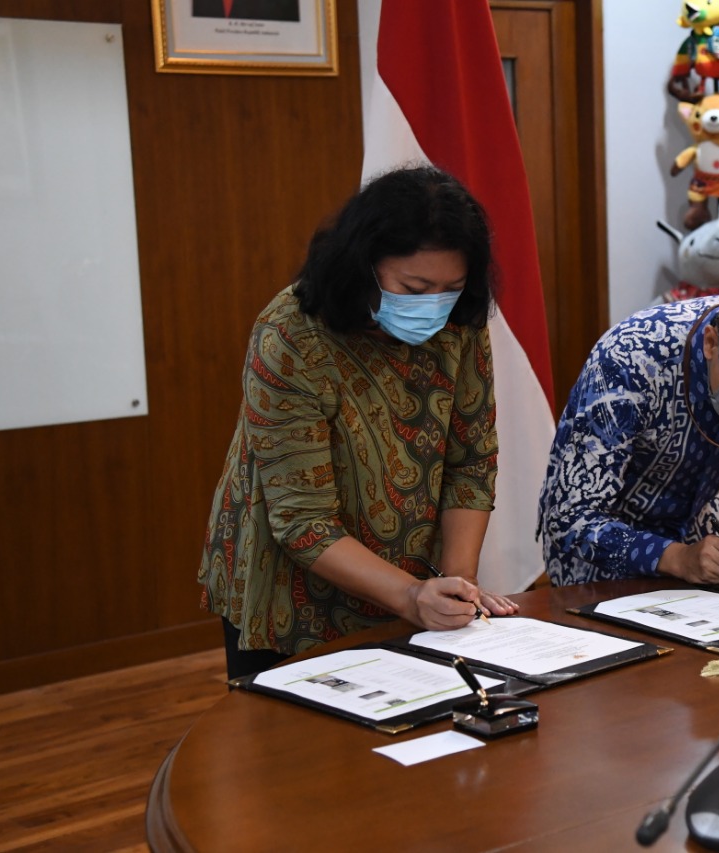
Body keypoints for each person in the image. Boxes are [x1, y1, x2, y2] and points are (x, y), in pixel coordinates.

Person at [199, 165, 519, 680]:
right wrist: (411, 596)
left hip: (414, 574)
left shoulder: (458, 322)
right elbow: (304, 522)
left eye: (450, 289)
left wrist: (456, 586)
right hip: (292, 591)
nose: (433, 307)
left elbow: (472, 460)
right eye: (414, 287)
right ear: (363, 265)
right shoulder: (291, 336)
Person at [537, 276, 719, 587]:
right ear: (711, 344)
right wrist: (676, 557)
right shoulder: (628, 359)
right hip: (603, 547)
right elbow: (571, 515)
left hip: (702, 531)